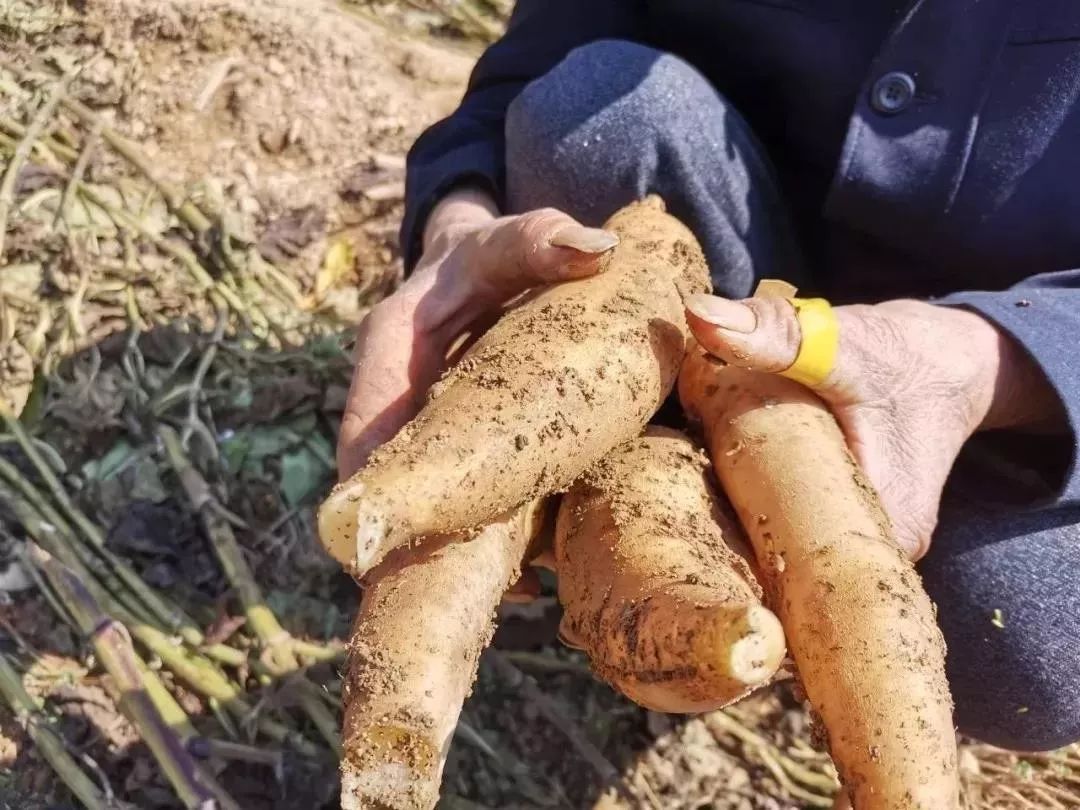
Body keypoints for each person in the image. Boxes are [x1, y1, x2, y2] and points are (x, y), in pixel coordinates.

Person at [336, 2, 1080, 753]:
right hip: (704, 263)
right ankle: (640, 459)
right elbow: (554, 33)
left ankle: (774, 640)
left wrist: (995, 360)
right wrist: (457, 219)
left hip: (1000, 371)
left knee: (1034, 629)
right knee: (590, 115)